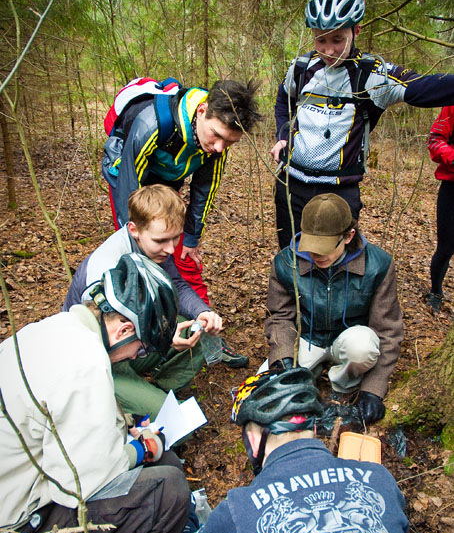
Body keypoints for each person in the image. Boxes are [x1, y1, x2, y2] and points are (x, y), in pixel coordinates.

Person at [0, 253, 191, 533]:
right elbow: (80, 484)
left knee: (163, 460)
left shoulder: (55, 329)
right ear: (124, 330)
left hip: (16, 481)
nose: (136, 356)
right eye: (141, 348)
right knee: (170, 490)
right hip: (14, 524)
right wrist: (140, 448)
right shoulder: (86, 363)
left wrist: (125, 432)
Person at [169, 368, 418, 533]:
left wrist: (186, 516)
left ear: (253, 440)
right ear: (314, 428)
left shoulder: (241, 507)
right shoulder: (379, 478)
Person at [270, 0, 454, 249]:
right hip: (291, 184)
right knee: (291, 261)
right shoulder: (301, 68)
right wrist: (283, 135)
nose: (328, 50)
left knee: (333, 263)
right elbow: (283, 100)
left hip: (339, 191)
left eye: (337, 39)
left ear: (356, 31)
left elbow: (423, 88)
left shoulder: (371, 75)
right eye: (320, 39)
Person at [103, 77, 261, 369]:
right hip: (128, 173)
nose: (219, 147)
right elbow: (128, 191)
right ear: (202, 111)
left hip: (167, 179)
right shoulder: (151, 124)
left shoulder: (216, 145)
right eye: (216, 136)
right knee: (140, 257)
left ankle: (206, 334)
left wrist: (190, 238)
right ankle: (140, 341)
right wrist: (137, 244)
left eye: (230, 142)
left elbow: (204, 190)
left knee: (184, 257)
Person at [63, 184, 246, 419]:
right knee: (171, 418)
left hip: (129, 343)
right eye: (161, 240)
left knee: (198, 329)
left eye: (176, 238)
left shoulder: (151, 246)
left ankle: (156, 390)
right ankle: (140, 402)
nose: (170, 249)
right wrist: (163, 340)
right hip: (97, 362)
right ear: (134, 229)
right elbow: (103, 347)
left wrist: (202, 312)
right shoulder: (104, 272)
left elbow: (175, 284)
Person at [262, 193, 403, 425]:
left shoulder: (378, 265)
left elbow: (388, 331)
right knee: (269, 390)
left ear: (348, 236)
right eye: (312, 246)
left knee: (362, 346)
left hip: (349, 341)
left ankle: (344, 385)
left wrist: (373, 390)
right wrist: (283, 360)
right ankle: (308, 374)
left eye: (325, 247)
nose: (317, 255)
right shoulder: (286, 262)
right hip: (306, 338)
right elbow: (279, 317)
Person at [425, 106, 454, 314]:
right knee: (446, 247)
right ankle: (436, 292)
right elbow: (435, 140)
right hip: (452, 187)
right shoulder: (451, 105)